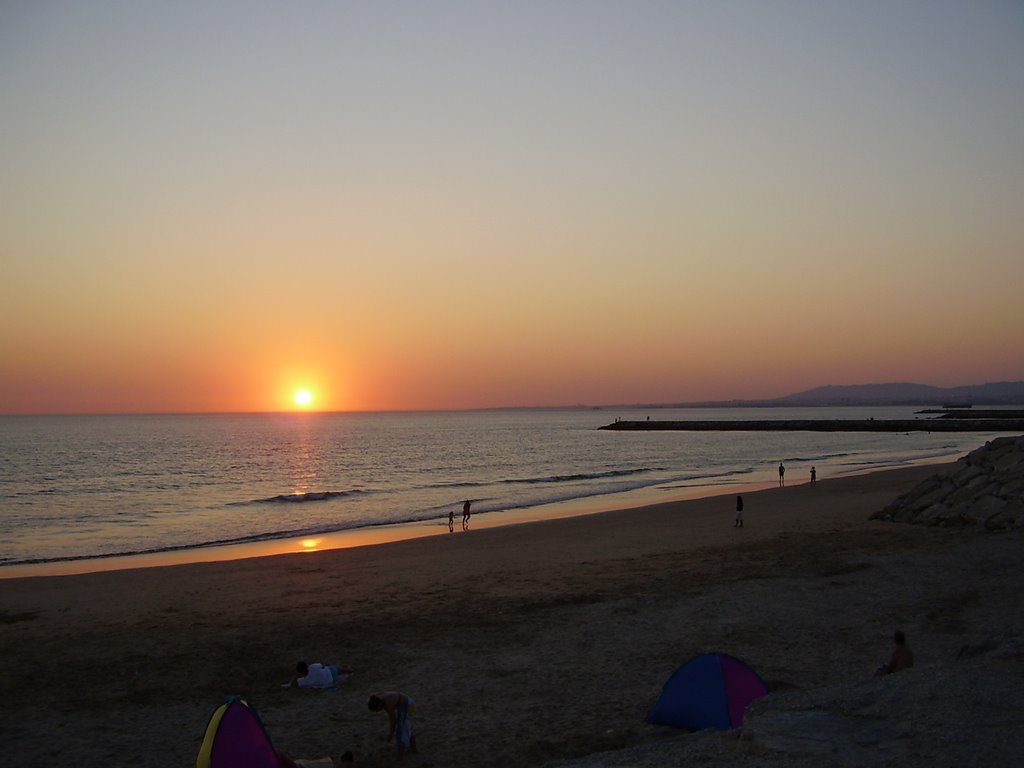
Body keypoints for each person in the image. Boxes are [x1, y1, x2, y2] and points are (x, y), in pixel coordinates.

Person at [368, 691, 418, 758]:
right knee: (406, 728)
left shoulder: (387, 704)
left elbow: (393, 721)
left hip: (408, 705)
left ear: (379, 705)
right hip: (407, 703)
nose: (377, 711)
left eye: (376, 710)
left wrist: (390, 735)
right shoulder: (379, 699)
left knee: (401, 731)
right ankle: (414, 750)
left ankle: (401, 756)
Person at [286, 661, 352, 689]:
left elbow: (294, 683)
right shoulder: (312, 667)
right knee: (334, 668)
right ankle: (349, 671)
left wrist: (297, 675)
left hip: (330, 681)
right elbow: (322, 666)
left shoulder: (305, 681)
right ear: (306, 665)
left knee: (336, 675)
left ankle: (346, 675)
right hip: (331, 672)